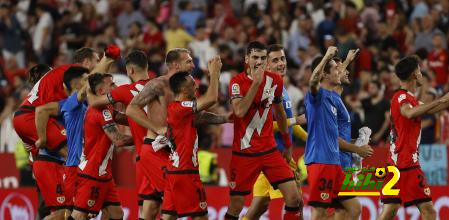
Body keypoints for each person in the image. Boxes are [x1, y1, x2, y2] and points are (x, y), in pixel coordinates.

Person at [224, 41, 301, 220]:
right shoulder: (237, 82)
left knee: (294, 197)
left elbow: (280, 115)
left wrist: (288, 144)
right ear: (247, 59)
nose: (259, 61)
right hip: (244, 153)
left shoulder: (275, 81)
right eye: (255, 57)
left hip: (269, 151)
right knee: (236, 205)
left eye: (262, 58)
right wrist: (256, 84)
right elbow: (239, 111)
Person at [125, 48, 196, 219]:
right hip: (155, 149)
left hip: (172, 149)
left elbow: (193, 116)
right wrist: (156, 128)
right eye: (189, 61)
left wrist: (222, 118)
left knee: (151, 206)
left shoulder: (188, 87)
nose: (193, 65)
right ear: (175, 65)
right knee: (175, 196)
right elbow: (131, 109)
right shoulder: (157, 85)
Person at [305, 46, 372, 220]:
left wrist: (346, 60)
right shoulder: (317, 96)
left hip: (334, 163)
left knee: (353, 209)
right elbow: (312, 82)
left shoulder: (333, 98)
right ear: (325, 75)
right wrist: (327, 55)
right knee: (319, 212)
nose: (341, 71)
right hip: (320, 161)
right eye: (336, 69)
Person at [378, 56, 449, 220]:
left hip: (394, 162)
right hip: (406, 163)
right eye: (419, 70)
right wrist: (440, 100)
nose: (421, 73)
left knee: (390, 210)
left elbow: (438, 106)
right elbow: (409, 113)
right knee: (429, 211)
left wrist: (444, 99)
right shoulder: (401, 97)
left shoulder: (411, 100)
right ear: (413, 75)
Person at [86, 50, 153, 219]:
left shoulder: (124, 92)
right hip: (166, 153)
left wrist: (87, 87)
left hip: (143, 157)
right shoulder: (160, 86)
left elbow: (94, 101)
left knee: (145, 207)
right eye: (112, 83)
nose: (115, 86)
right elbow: (124, 124)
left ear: (130, 71)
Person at [244, 44, 305, 220]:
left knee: (258, 207)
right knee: (295, 201)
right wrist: (295, 120)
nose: (281, 63)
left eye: (283, 58)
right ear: (266, 65)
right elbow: (266, 124)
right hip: (274, 156)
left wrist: (312, 138)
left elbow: (290, 125)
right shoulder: (264, 89)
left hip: (272, 155)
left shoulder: (281, 88)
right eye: (276, 60)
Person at [161, 57, 226, 219]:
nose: (196, 86)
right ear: (183, 89)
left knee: (168, 216)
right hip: (186, 171)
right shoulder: (181, 108)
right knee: (200, 216)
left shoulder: (177, 109)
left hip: (174, 171)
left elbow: (202, 116)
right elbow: (211, 99)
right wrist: (214, 74)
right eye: (192, 84)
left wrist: (227, 118)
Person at [13, 47, 103, 158]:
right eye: (97, 61)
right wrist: (108, 60)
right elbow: (43, 110)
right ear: (86, 62)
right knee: (73, 156)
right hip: (31, 116)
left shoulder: (58, 84)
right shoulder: (73, 72)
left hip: (27, 117)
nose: (99, 65)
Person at [70, 73, 134, 219]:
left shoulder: (107, 108)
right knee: (79, 215)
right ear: (101, 92)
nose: (116, 87)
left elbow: (127, 119)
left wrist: (146, 120)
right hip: (93, 172)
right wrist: (143, 137)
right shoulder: (102, 111)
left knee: (116, 214)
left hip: (104, 174)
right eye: (111, 84)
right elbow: (118, 140)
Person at [34, 66, 90, 217]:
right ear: (76, 84)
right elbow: (40, 111)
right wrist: (42, 138)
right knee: (60, 213)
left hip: (61, 163)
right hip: (51, 162)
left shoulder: (86, 105)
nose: (89, 83)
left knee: (70, 213)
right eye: (86, 79)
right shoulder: (68, 103)